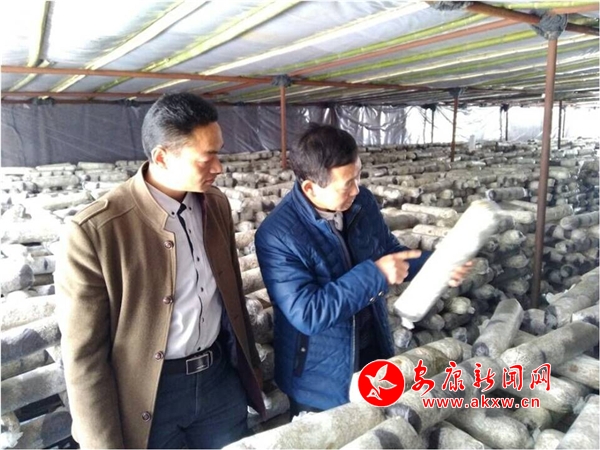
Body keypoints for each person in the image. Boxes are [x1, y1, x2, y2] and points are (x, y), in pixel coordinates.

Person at [56, 93, 264, 449]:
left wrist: (249, 371)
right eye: (207, 157)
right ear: (162, 157)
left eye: (220, 153)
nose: (219, 167)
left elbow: (231, 296)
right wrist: (101, 443)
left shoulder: (215, 205)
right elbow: (83, 355)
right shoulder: (97, 230)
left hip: (218, 381)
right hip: (150, 396)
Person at [255, 123, 471, 415]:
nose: (356, 189)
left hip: (372, 348)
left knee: (377, 424)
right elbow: (307, 313)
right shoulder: (277, 235)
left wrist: (438, 265)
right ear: (310, 187)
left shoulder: (361, 203)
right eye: (347, 183)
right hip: (319, 376)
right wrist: (376, 274)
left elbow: (389, 251)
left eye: (358, 176)